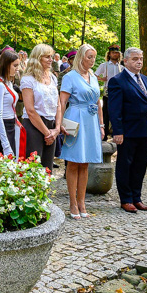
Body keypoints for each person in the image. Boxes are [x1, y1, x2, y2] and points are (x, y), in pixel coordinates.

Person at [108, 46, 147, 213]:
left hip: (144, 131)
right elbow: (115, 109)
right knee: (125, 165)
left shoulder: (146, 79)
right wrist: (118, 131)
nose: (139, 62)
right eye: (135, 59)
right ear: (126, 61)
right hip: (128, 132)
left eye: (141, 59)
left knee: (140, 166)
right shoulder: (117, 81)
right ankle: (126, 199)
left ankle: (137, 198)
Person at [56, 43, 104, 219]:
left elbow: (98, 102)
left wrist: (101, 124)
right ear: (81, 57)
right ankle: (72, 203)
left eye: (93, 57)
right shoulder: (70, 77)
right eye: (89, 57)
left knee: (85, 163)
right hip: (75, 118)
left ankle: (82, 201)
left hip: (91, 121)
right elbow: (62, 102)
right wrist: (59, 123)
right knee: (74, 162)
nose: (92, 61)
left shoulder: (93, 76)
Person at [19, 44, 62, 172]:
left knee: (48, 168)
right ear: (38, 58)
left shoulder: (53, 78)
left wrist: (57, 128)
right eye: (47, 57)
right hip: (34, 126)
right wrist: (47, 132)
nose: (51, 60)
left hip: (51, 126)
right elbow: (30, 110)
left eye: (52, 56)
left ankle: (46, 192)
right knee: (33, 169)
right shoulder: (28, 79)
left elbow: (58, 104)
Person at [0, 49, 24, 158]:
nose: (17, 68)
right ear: (6, 65)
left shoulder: (9, 83)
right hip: (1, 129)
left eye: (18, 65)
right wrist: (5, 144)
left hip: (10, 126)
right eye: (15, 65)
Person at [95, 45, 123, 138]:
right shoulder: (104, 65)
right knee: (106, 113)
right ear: (109, 54)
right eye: (113, 53)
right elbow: (95, 76)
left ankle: (117, 132)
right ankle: (105, 134)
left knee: (118, 113)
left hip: (119, 92)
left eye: (116, 53)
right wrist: (102, 79)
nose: (115, 54)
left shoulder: (121, 68)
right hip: (108, 92)